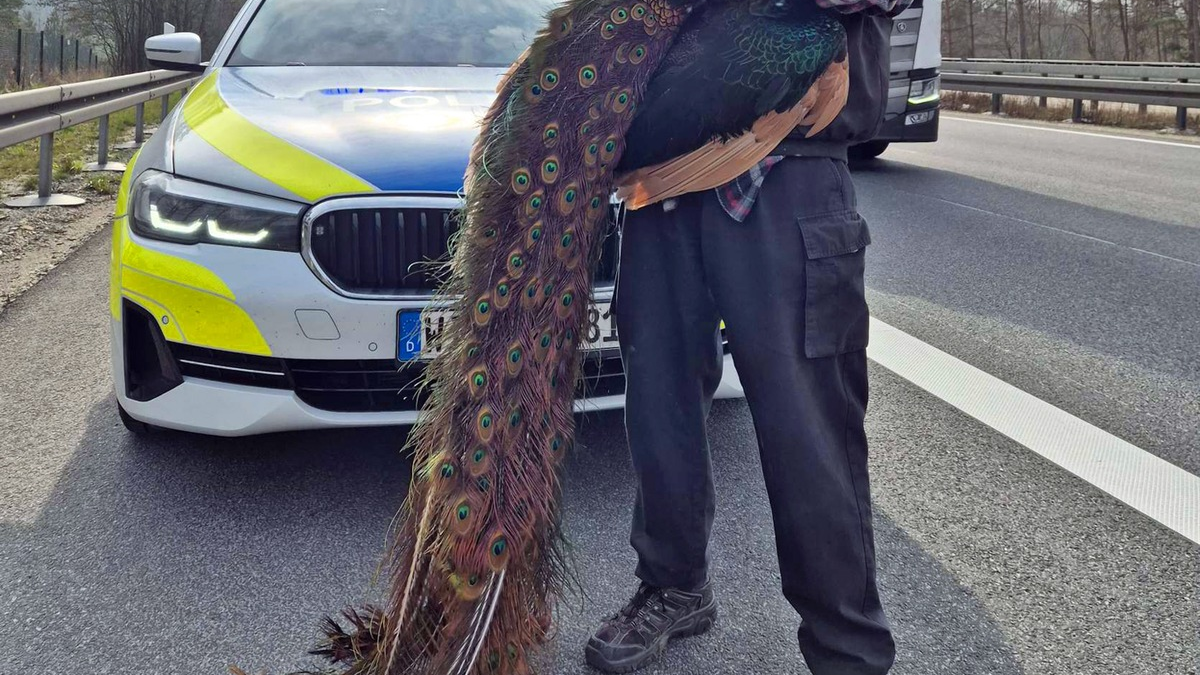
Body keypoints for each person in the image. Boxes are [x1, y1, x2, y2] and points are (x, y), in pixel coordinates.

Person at [586, 0, 911, 673]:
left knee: (808, 427)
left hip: (790, 168)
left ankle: (847, 648)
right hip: (668, 173)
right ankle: (673, 583)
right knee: (658, 402)